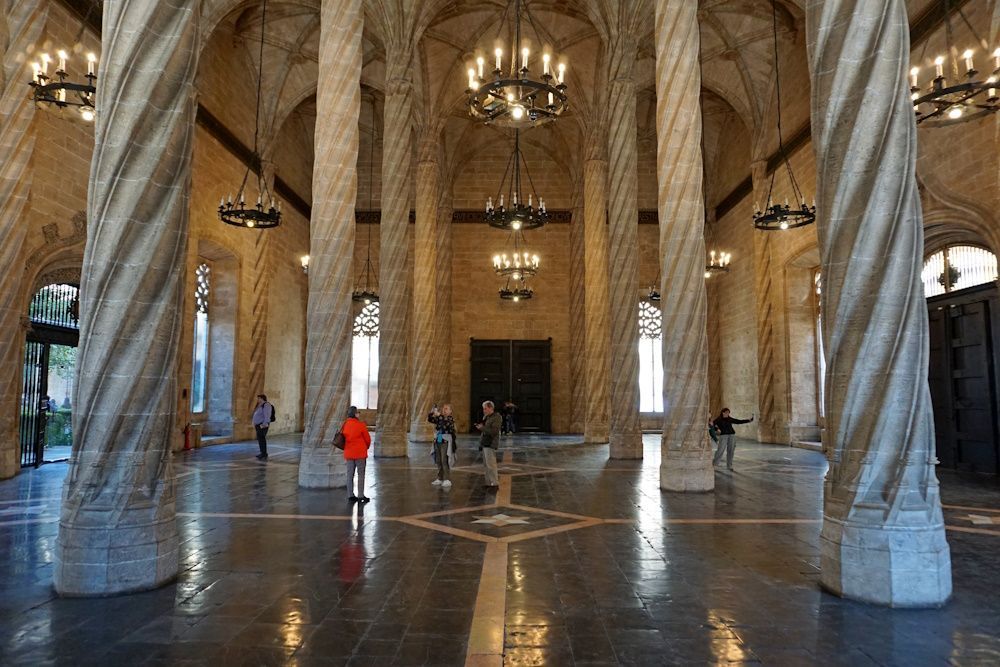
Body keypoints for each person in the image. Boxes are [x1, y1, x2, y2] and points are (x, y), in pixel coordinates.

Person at [342, 406, 372, 502]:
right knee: (361, 474)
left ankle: (350, 495)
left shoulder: (345, 424)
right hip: (360, 454)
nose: (359, 414)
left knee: (350, 474)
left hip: (349, 453)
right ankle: (360, 495)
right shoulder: (361, 425)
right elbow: (367, 439)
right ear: (355, 414)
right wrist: (365, 447)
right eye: (358, 412)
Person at [427, 404, 457, 489]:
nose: (444, 410)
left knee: (444, 459)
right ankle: (440, 478)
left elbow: (446, 424)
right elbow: (430, 419)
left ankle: (447, 479)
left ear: (450, 411)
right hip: (438, 439)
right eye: (443, 408)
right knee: (438, 459)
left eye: (446, 409)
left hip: (446, 440)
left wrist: (439, 415)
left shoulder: (450, 419)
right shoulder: (440, 418)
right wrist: (432, 412)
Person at [475, 400, 502, 490]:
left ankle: (494, 484)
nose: (484, 410)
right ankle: (488, 482)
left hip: (490, 443)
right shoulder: (487, 417)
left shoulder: (497, 417)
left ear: (491, 408)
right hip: (484, 442)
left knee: (491, 465)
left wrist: (482, 428)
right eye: (483, 409)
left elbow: (494, 431)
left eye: (485, 409)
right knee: (486, 465)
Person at [251, 394, 274, 460]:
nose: (257, 400)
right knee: (260, 439)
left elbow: (267, 415)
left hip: (262, 425)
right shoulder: (260, 405)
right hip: (258, 425)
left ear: (262, 398)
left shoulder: (266, 405)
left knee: (262, 439)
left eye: (258, 398)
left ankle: (264, 454)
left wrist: (264, 424)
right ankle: (262, 453)